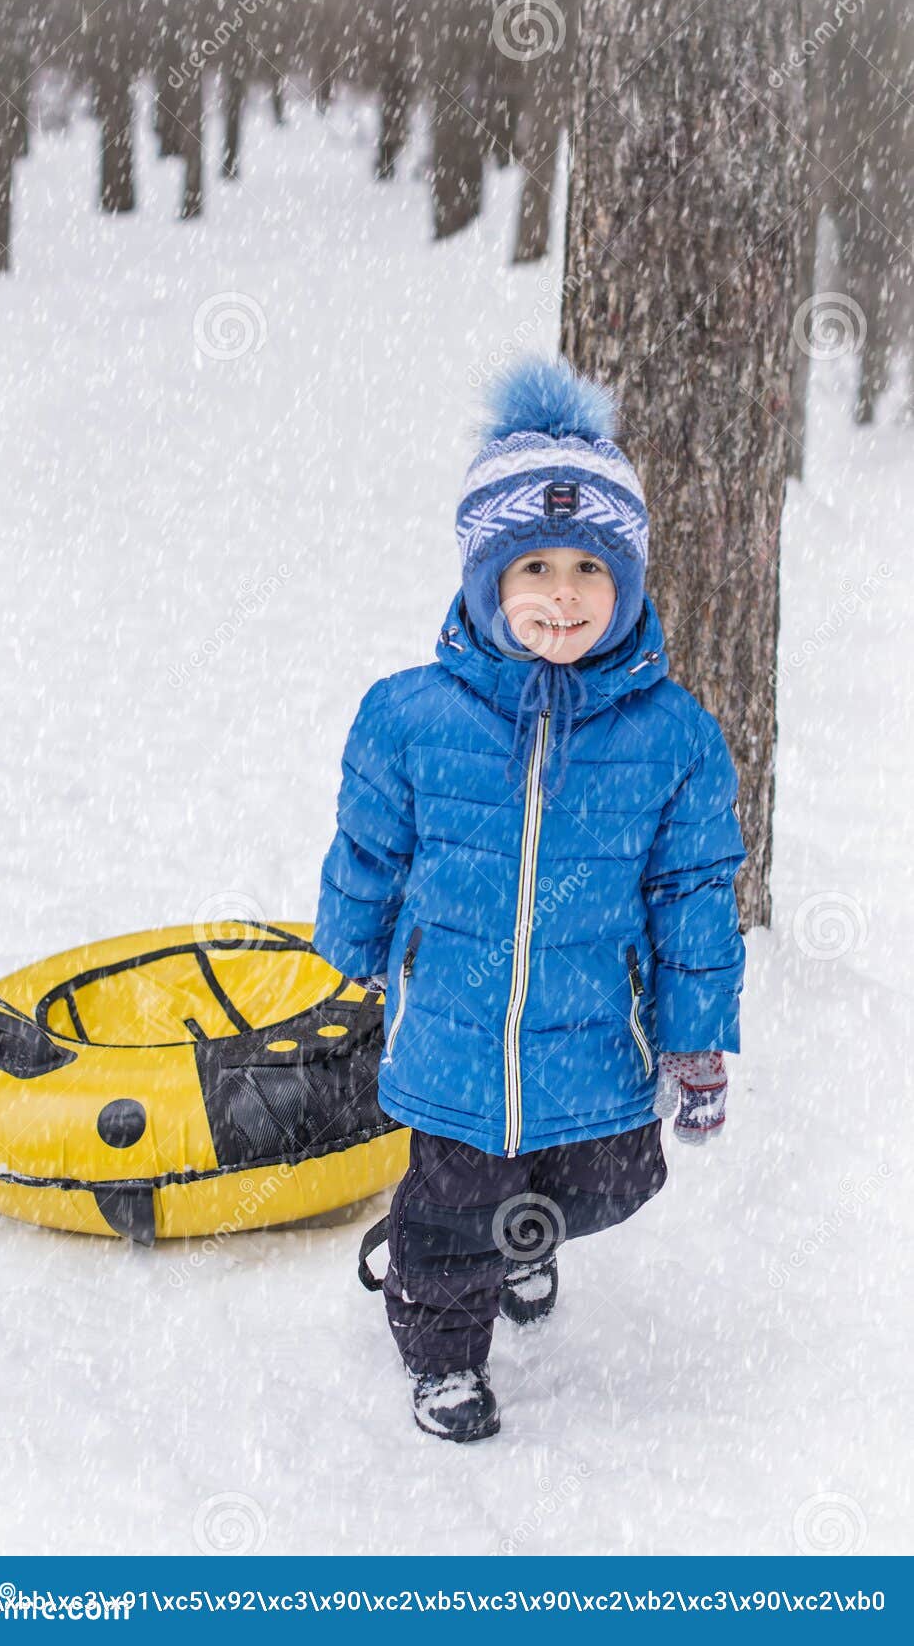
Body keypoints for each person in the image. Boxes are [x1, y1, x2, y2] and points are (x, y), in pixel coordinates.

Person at [313, 354, 747, 1443]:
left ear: (629, 585)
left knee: (607, 1176)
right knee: (450, 1206)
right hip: (455, 1028)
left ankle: (531, 1237)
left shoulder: (675, 739)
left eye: (592, 570)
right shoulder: (411, 717)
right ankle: (444, 1351)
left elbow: (692, 896)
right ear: (485, 581)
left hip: (596, 1031)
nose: (563, 594)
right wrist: (348, 956)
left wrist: (696, 1039)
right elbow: (368, 845)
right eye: (534, 567)